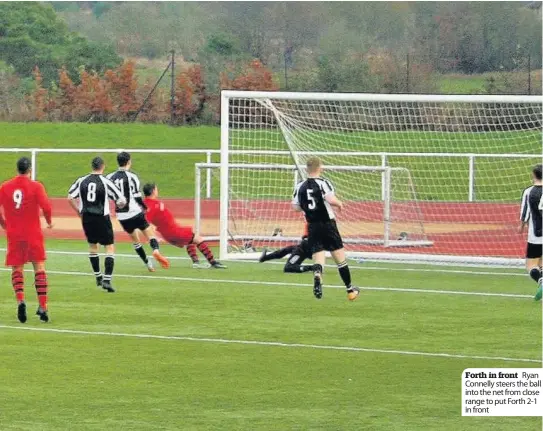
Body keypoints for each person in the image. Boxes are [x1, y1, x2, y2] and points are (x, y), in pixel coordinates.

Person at [292, 157, 360, 301]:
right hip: (328, 224)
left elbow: (296, 207)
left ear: (306, 169)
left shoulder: (300, 186)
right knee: (340, 260)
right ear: (320, 168)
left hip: (312, 226)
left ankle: (317, 276)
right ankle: (350, 290)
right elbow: (330, 199)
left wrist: (307, 207)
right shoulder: (324, 183)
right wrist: (339, 203)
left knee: (318, 256)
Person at [0, 157, 53, 323]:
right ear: (29, 170)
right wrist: (50, 222)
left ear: (17, 169)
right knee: (39, 268)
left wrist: (4, 224)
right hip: (33, 233)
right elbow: (47, 207)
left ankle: (21, 300)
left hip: (14, 234)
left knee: (17, 269)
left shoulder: (5, 187)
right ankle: (43, 306)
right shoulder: (36, 186)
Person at [67, 157, 127, 293]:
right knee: (109, 247)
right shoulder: (106, 182)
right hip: (102, 218)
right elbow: (121, 200)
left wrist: (78, 211)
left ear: (92, 166)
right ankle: (107, 279)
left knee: (93, 247)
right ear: (103, 166)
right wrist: (118, 205)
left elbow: (70, 197)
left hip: (87, 218)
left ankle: (98, 277)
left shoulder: (81, 180)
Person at [107, 151, 169, 272]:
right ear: (129, 161)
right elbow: (136, 196)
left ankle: (147, 263)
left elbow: (108, 195)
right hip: (135, 212)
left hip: (122, 216)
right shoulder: (132, 177)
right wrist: (144, 208)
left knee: (135, 241)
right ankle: (155, 251)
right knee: (150, 234)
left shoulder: (109, 177)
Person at [143, 183, 227, 269]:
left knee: (190, 238)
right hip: (172, 231)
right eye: (156, 189)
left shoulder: (146, 203)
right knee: (198, 239)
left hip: (170, 231)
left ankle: (196, 262)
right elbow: (146, 221)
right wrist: (151, 236)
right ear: (153, 191)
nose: (157, 191)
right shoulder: (152, 205)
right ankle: (213, 262)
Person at [519, 164, 543, 301]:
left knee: (530, 265)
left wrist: (521, 226)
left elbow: (525, 212)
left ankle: (540, 280)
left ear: (534, 175)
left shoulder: (529, 191)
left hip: (535, 235)